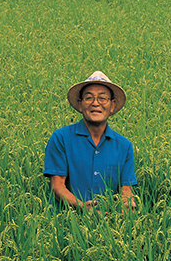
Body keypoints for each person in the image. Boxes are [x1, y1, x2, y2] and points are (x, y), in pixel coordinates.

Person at [44, 71, 137, 211]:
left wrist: (127, 206)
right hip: (66, 219)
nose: (95, 103)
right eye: (89, 98)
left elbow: (126, 191)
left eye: (102, 98)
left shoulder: (124, 146)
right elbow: (57, 186)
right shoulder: (61, 138)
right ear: (80, 104)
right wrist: (81, 207)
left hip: (108, 220)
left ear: (112, 105)